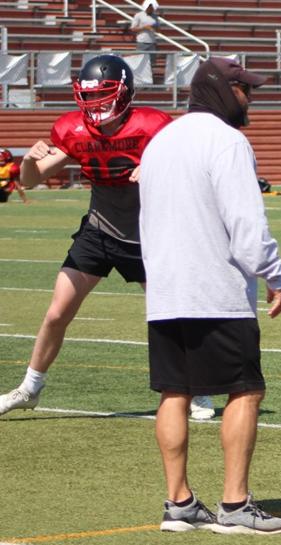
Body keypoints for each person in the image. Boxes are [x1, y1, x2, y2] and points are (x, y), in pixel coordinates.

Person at [0, 55, 215, 420]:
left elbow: (190, 164)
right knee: (57, 312)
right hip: (100, 230)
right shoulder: (74, 129)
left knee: (170, 317)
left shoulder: (153, 125)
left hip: (150, 234)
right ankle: (29, 388)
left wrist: (156, 166)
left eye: (103, 94)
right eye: (91, 95)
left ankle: (196, 389)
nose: (96, 103)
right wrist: (30, 162)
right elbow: (31, 181)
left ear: (124, 93)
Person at [138, 57, 281, 534]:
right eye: (245, 89)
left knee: (174, 392)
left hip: (166, 289)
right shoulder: (228, 141)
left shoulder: (160, 141)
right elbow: (246, 224)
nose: (251, 98)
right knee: (245, 389)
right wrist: (274, 271)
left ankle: (178, 503)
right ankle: (235, 505)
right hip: (216, 290)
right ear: (224, 91)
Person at [129, 0, 160, 78]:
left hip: (152, 42)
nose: (151, 9)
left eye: (153, 8)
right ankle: (139, 79)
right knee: (140, 62)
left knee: (152, 63)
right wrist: (144, 28)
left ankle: (150, 80)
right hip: (142, 42)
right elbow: (133, 29)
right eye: (150, 7)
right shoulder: (138, 15)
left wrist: (156, 27)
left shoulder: (155, 17)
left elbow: (159, 30)